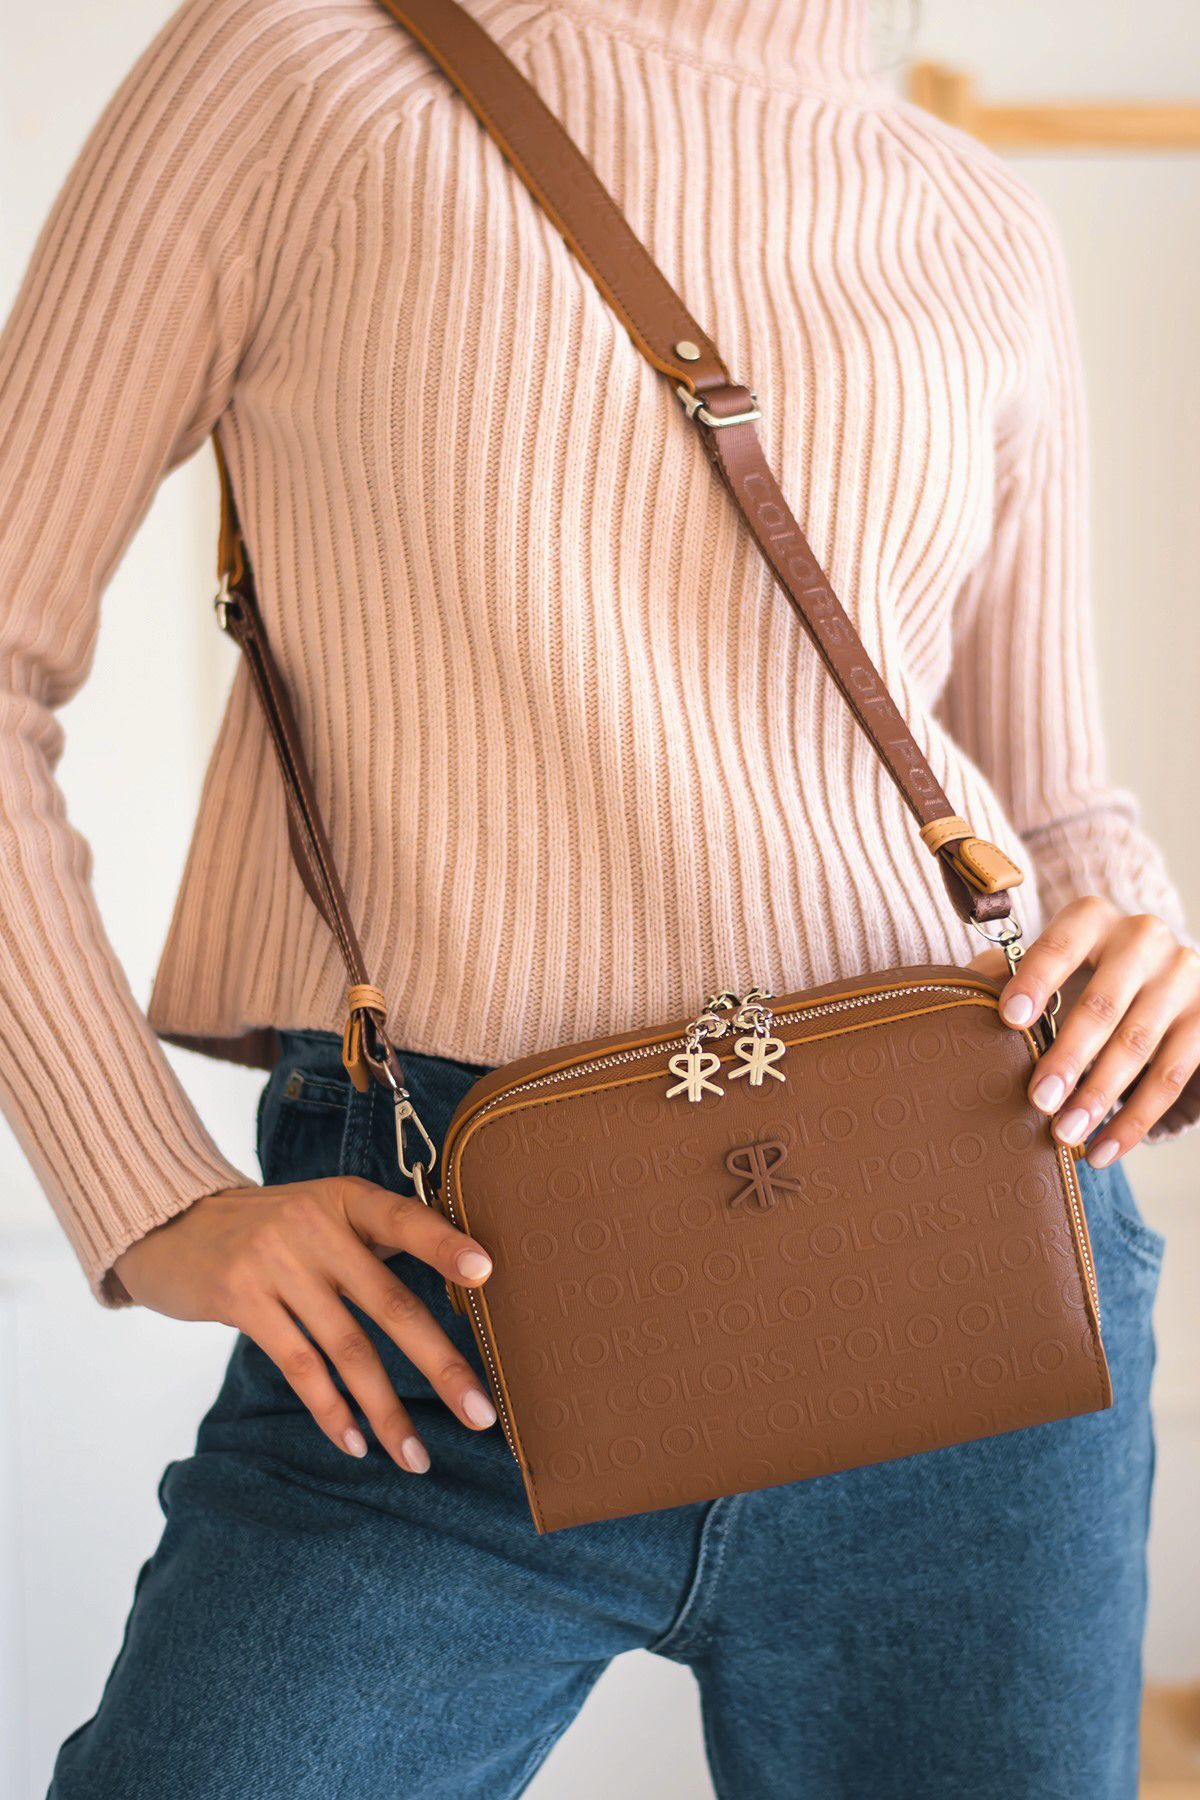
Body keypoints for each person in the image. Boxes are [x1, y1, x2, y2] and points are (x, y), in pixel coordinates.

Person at [1, 0, 1195, 1793]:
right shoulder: (300, 70)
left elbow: (1053, 796)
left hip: (977, 1274)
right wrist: (148, 1190)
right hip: (442, 1310)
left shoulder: (977, 218)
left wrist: (1145, 950)